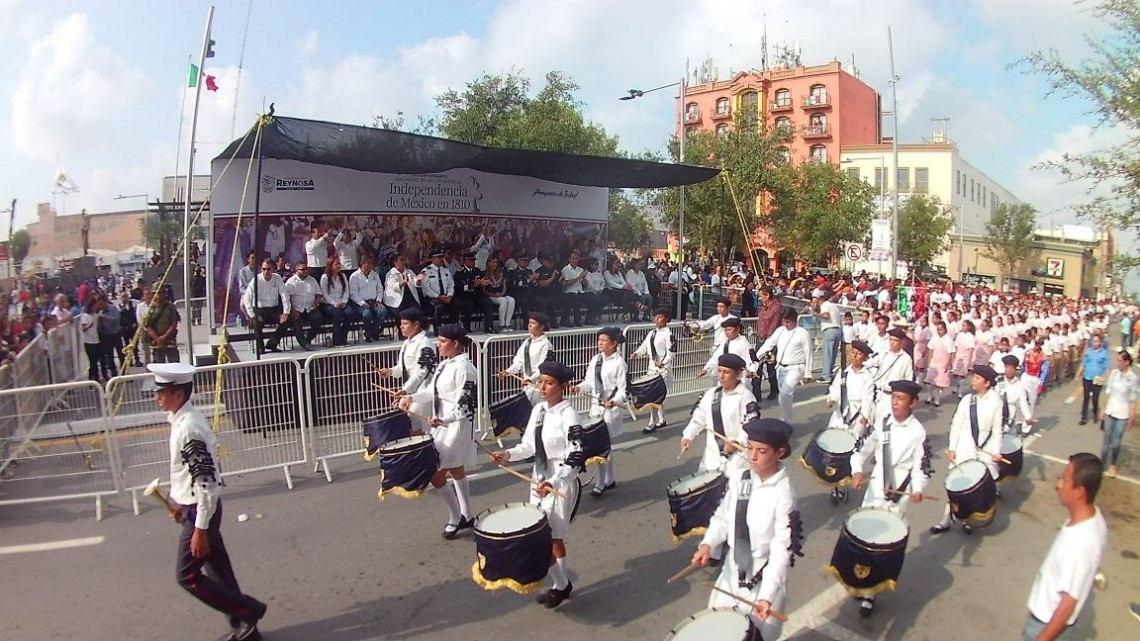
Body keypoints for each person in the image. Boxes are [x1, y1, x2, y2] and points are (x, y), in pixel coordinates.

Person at [149, 362, 267, 641]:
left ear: (178, 394)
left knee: (187, 576)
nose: (157, 396)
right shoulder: (181, 421)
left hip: (202, 511)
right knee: (218, 571)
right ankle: (245, 628)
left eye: (162, 391)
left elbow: (206, 482)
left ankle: (249, 611)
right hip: (194, 507)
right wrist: (178, 502)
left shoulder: (189, 428)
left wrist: (200, 527)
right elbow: (190, 475)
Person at [690, 418, 801, 641]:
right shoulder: (741, 478)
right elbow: (723, 517)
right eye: (750, 448)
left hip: (762, 577)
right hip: (731, 572)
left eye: (762, 451)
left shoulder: (784, 495)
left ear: (779, 453)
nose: (752, 456)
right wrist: (707, 544)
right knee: (717, 630)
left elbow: (782, 551)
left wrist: (767, 597)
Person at [491, 360, 585, 609]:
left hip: (560, 481)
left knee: (551, 537)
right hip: (539, 477)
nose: (542, 387)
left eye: (549, 383)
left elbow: (575, 455)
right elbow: (529, 446)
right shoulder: (539, 410)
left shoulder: (569, 415)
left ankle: (561, 585)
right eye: (541, 381)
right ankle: (560, 585)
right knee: (546, 536)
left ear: (562, 387)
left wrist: (553, 481)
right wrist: (508, 454)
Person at [849, 379, 932, 616]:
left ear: (913, 403)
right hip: (875, 489)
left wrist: (918, 488)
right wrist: (856, 470)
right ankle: (860, 579)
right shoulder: (883, 424)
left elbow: (922, 467)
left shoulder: (918, 432)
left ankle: (870, 593)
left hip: (899, 495)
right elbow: (862, 449)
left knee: (883, 544)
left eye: (901, 399)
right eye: (893, 397)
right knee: (864, 537)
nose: (895, 403)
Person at [401, 324, 478, 539]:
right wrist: (410, 397)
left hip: (455, 427)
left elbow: (464, 405)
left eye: (443, 341)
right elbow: (429, 391)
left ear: (455, 344)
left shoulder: (466, 369)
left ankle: (456, 517)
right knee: (456, 469)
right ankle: (468, 514)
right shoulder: (444, 365)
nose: (438, 344)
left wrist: (443, 419)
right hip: (441, 425)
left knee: (435, 473)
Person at [1022, 453, 1108, 641]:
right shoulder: (1093, 519)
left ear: (1080, 491)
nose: (1058, 484)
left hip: (1045, 626)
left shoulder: (1081, 542)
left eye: (1065, 479)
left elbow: (1068, 604)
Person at [932, 364, 1003, 535]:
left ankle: (969, 519)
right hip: (964, 448)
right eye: (974, 377)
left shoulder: (996, 401)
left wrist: (996, 451)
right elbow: (956, 424)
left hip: (985, 450)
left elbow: (997, 429)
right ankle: (946, 518)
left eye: (978, 378)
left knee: (976, 488)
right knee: (954, 484)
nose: (974, 380)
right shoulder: (967, 400)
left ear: (987, 383)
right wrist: (952, 447)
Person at [680, 353, 759, 474]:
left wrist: (737, 442)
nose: (721, 376)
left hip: (736, 458)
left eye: (726, 372)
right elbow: (699, 418)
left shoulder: (746, 398)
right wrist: (688, 436)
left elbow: (750, 427)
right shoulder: (711, 394)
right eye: (719, 371)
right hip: (711, 457)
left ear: (737, 374)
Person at [572, 326, 627, 496]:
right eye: (599, 340)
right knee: (603, 445)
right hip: (596, 408)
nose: (600, 343)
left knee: (602, 445)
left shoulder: (620, 363)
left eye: (604, 340)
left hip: (610, 410)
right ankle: (609, 479)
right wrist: (579, 388)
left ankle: (601, 482)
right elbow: (589, 382)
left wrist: (614, 401)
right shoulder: (596, 359)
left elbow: (623, 390)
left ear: (614, 343)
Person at [378, 308, 437, 434]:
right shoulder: (406, 343)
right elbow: (403, 367)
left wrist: (406, 390)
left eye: (405, 324)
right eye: (401, 323)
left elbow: (421, 373)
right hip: (409, 392)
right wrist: (390, 371)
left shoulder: (425, 344)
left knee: (419, 430)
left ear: (416, 324)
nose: (401, 327)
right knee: (409, 428)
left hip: (422, 392)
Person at [756, 307, 814, 425]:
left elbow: (809, 352)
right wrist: (757, 356)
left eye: (788, 322)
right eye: (784, 321)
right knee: (782, 397)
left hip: (795, 367)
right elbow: (770, 343)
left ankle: (786, 421)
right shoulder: (780, 330)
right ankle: (786, 417)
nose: (786, 324)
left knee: (785, 393)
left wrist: (808, 372)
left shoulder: (803, 333)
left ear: (795, 321)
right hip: (780, 367)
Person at [632, 307, 676, 433]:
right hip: (651, 368)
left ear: (666, 319)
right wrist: (637, 353)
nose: (657, 319)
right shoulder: (651, 333)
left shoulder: (669, 334)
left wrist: (664, 362)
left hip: (663, 370)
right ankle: (661, 420)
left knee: (655, 396)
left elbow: (672, 351)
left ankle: (652, 422)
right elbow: (644, 346)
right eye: (655, 316)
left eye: (660, 317)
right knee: (656, 396)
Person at [498, 312, 553, 405]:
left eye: (533, 323)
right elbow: (519, 362)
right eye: (529, 323)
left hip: (539, 385)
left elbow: (544, 367)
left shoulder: (546, 345)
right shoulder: (527, 342)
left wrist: (531, 379)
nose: (530, 325)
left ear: (542, 326)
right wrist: (508, 372)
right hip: (527, 385)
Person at [1099, 350, 1137, 478]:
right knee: (1106, 441)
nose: (1117, 363)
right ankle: (1102, 463)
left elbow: (1132, 399)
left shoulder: (1133, 379)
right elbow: (1108, 392)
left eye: (1120, 361)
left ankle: (1113, 464)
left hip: (1123, 415)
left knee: (1115, 443)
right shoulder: (1114, 374)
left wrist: (1131, 417)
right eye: (1117, 360)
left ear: (1127, 362)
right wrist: (1103, 409)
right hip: (1110, 411)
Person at [242, 260, 289, 354]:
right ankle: (260, 348)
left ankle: (272, 343)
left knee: (287, 320)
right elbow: (247, 299)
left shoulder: (277, 278)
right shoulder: (256, 279)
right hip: (259, 309)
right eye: (263, 269)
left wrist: (286, 312)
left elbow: (284, 295)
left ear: (273, 270)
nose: (266, 272)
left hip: (273, 309)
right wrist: (252, 315)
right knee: (256, 323)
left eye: (268, 269)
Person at [870, 328, 915, 422]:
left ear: (901, 342)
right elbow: (871, 364)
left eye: (895, 340)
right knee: (877, 422)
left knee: (891, 423)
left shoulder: (906, 358)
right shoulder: (883, 354)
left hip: (894, 397)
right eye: (890, 340)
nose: (892, 343)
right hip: (880, 395)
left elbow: (908, 379)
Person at [454, 251, 497, 333]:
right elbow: (460, 288)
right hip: (465, 296)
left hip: (477, 295)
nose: (473, 262)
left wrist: (483, 283)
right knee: (468, 303)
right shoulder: (459, 273)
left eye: (474, 260)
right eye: (471, 260)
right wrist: (473, 285)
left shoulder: (477, 271)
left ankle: (489, 327)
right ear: (465, 261)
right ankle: (467, 327)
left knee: (487, 302)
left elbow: (481, 283)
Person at [284, 261, 323, 351]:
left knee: (318, 318)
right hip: (297, 308)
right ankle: (304, 344)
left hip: (310, 307)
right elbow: (287, 298)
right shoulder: (291, 282)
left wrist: (316, 303)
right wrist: (293, 309)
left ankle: (308, 338)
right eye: (302, 269)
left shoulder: (312, 280)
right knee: (296, 321)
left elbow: (319, 294)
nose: (305, 271)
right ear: (296, 271)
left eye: (306, 269)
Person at [420, 249, 459, 334]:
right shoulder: (426, 271)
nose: (441, 259)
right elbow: (426, 289)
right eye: (438, 257)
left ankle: (449, 326)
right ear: (433, 259)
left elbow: (451, 285)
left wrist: (449, 295)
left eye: (442, 257)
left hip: (445, 296)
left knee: (457, 304)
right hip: (432, 297)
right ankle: (438, 329)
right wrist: (438, 296)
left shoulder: (446, 270)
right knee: (439, 306)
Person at [998, 355, 1037, 436]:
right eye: (1007, 367)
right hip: (996, 416)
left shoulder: (1019, 385)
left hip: (1009, 418)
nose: (1009, 370)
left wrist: (1028, 417)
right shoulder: (998, 381)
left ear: (1015, 370)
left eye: (1011, 368)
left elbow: (1023, 403)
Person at [1076, 334, 1111, 425]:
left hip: (1098, 379)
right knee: (1086, 397)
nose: (1095, 343)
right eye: (1093, 341)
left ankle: (1095, 412)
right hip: (1087, 377)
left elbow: (1106, 367)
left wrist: (1109, 378)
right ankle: (1084, 417)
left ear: (1100, 342)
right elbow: (1083, 364)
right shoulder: (1088, 352)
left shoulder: (1104, 353)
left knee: (1095, 398)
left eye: (1097, 341)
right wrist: (1077, 375)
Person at [755, 287, 783, 401]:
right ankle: (756, 393)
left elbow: (774, 326)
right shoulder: (763, 308)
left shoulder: (776, 308)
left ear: (767, 296)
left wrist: (768, 343)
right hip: (760, 340)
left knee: (771, 367)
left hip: (769, 342)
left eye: (761, 295)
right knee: (757, 367)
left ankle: (774, 389)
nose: (760, 298)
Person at [349, 256, 385, 342]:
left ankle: (372, 331)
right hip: (360, 303)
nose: (371, 265)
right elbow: (353, 293)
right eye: (368, 263)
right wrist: (362, 303)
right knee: (367, 314)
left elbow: (380, 289)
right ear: (362, 264)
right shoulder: (354, 276)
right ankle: (369, 331)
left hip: (374, 301)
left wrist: (378, 300)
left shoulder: (374, 274)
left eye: (372, 263)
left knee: (383, 312)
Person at [319, 257, 353, 347]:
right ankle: (337, 340)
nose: (338, 266)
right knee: (337, 313)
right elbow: (325, 293)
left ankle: (344, 338)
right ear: (330, 266)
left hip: (341, 302)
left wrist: (344, 302)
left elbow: (346, 290)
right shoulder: (325, 277)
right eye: (336, 264)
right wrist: (334, 303)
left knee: (349, 313)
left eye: (339, 264)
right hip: (328, 304)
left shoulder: (342, 276)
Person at [144, 286, 181, 363]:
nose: (158, 296)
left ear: (164, 293)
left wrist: (163, 337)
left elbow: (174, 323)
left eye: (160, 293)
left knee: (174, 364)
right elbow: (148, 326)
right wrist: (157, 339)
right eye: (155, 293)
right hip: (157, 343)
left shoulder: (171, 307)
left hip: (170, 340)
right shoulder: (151, 308)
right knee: (160, 365)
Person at [814, 289, 843, 384]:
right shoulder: (833, 306)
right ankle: (829, 373)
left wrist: (816, 314)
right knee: (833, 354)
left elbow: (826, 315)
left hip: (830, 329)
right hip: (837, 329)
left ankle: (826, 375)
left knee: (827, 353)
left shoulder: (825, 305)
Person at [382, 254, 422, 321]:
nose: (404, 262)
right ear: (395, 263)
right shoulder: (391, 273)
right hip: (396, 300)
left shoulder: (409, 271)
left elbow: (416, 283)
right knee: (401, 315)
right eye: (401, 260)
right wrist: (404, 281)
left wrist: (419, 280)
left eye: (404, 260)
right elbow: (394, 287)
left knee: (417, 313)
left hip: (410, 299)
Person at [483, 255, 516, 332]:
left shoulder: (500, 273)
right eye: (493, 262)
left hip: (501, 294)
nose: (495, 264)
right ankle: (501, 325)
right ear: (488, 263)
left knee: (511, 300)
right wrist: (494, 295)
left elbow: (504, 286)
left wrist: (502, 294)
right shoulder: (484, 274)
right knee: (503, 301)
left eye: (496, 262)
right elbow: (483, 290)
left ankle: (507, 324)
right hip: (490, 295)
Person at [925, 321, 954, 407]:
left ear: (945, 329)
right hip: (934, 362)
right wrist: (928, 361)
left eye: (941, 330)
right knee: (929, 381)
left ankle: (937, 399)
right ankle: (929, 396)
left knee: (939, 384)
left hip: (943, 363)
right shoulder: (934, 337)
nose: (939, 331)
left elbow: (951, 353)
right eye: (938, 330)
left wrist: (948, 364)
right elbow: (930, 349)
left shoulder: (949, 340)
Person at [80, 299, 101, 382]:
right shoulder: (85, 316)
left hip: (96, 340)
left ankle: (96, 378)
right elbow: (83, 328)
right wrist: (89, 326)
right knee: (92, 362)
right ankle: (92, 379)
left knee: (96, 361)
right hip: (89, 342)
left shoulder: (95, 315)